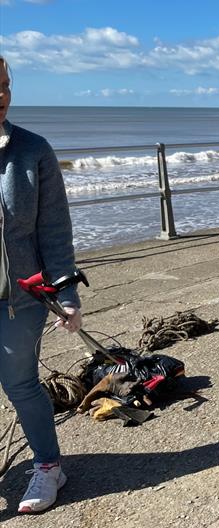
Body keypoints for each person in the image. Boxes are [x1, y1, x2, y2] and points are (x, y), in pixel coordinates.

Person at [0, 54, 84, 514]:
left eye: (5, 85)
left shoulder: (33, 151)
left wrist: (67, 295)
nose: (0, 96)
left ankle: (49, 466)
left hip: (18, 298)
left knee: (20, 382)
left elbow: (54, 231)